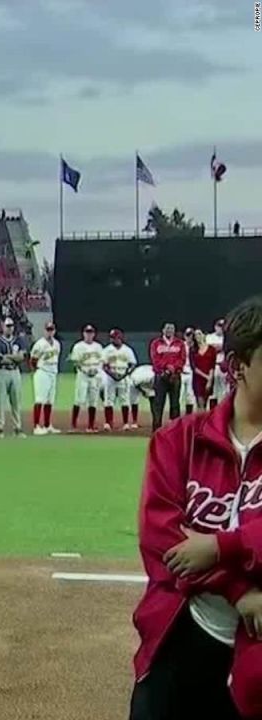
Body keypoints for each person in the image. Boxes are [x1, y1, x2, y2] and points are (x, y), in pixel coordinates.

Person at [128, 295, 262, 720]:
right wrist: (239, 590)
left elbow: (198, 548)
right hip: (181, 633)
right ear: (238, 365)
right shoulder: (179, 440)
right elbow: (160, 537)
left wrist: (219, 546)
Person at [0, 317, 26, 438]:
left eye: (11, 326)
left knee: (16, 401)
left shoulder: (19, 340)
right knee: (0, 401)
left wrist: (9, 357)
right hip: (2, 372)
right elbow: (0, 359)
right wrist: (13, 357)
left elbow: (21, 357)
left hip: (15, 372)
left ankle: (17, 428)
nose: (9, 328)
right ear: (3, 327)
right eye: (7, 326)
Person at [149, 322, 188, 431]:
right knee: (158, 403)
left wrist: (173, 369)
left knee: (175, 403)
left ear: (174, 331)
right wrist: (166, 368)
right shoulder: (156, 343)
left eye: (171, 328)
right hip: (161, 376)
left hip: (175, 376)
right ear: (163, 330)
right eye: (167, 328)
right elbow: (155, 359)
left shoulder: (179, 343)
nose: (169, 330)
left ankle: (175, 429)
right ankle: (156, 428)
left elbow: (182, 359)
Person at [69, 324, 104, 433]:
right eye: (87, 332)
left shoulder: (98, 346)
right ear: (83, 333)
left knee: (93, 401)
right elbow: (75, 362)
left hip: (95, 375)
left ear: (94, 334)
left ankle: (91, 426)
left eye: (91, 332)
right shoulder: (78, 346)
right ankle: (73, 425)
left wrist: (96, 370)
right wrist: (85, 370)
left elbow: (101, 361)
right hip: (83, 375)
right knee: (79, 399)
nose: (89, 334)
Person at [102, 328, 139, 431]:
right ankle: (108, 423)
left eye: (116, 337)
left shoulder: (127, 350)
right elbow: (104, 365)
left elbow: (132, 364)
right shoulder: (107, 350)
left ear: (120, 338)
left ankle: (126, 423)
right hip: (110, 377)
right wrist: (112, 375)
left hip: (124, 376)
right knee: (109, 400)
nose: (114, 339)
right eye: (112, 337)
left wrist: (125, 374)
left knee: (124, 400)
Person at [30, 321, 62, 435]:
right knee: (40, 399)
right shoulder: (39, 344)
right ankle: (36, 426)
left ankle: (48, 425)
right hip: (42, 372)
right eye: (48, 330)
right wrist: (37, 370)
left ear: (54, 331)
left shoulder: (57, 344)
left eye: (52, 330)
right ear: (44, 331)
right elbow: (33, 360)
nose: (50, 332)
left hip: (53, 373)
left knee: (50, 400)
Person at [192, 329, 220, 412]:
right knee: (200, 403)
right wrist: (206, 377)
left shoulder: (212, 349)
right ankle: (201, 423)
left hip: (209, 378)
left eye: (199, 334)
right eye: (196, 335)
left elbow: (212, 365)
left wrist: (210, 379)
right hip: (198, 379)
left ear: (203, 335)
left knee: (206, 402)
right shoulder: (193, 350)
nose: (198, 336)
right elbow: (194, 367)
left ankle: (205, 421)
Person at [208, 317, 230, 409]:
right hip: (213, 366)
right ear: (215, 326)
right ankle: (212, 413)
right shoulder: (209, 337)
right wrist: (220, 347)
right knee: (213, 391)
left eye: (223, 326)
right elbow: (208, 349)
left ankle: (224, 411)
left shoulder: (228, 337)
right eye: (219, 325)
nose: (221, 328)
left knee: (226, 391)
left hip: (226, 366)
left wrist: (218, 347)